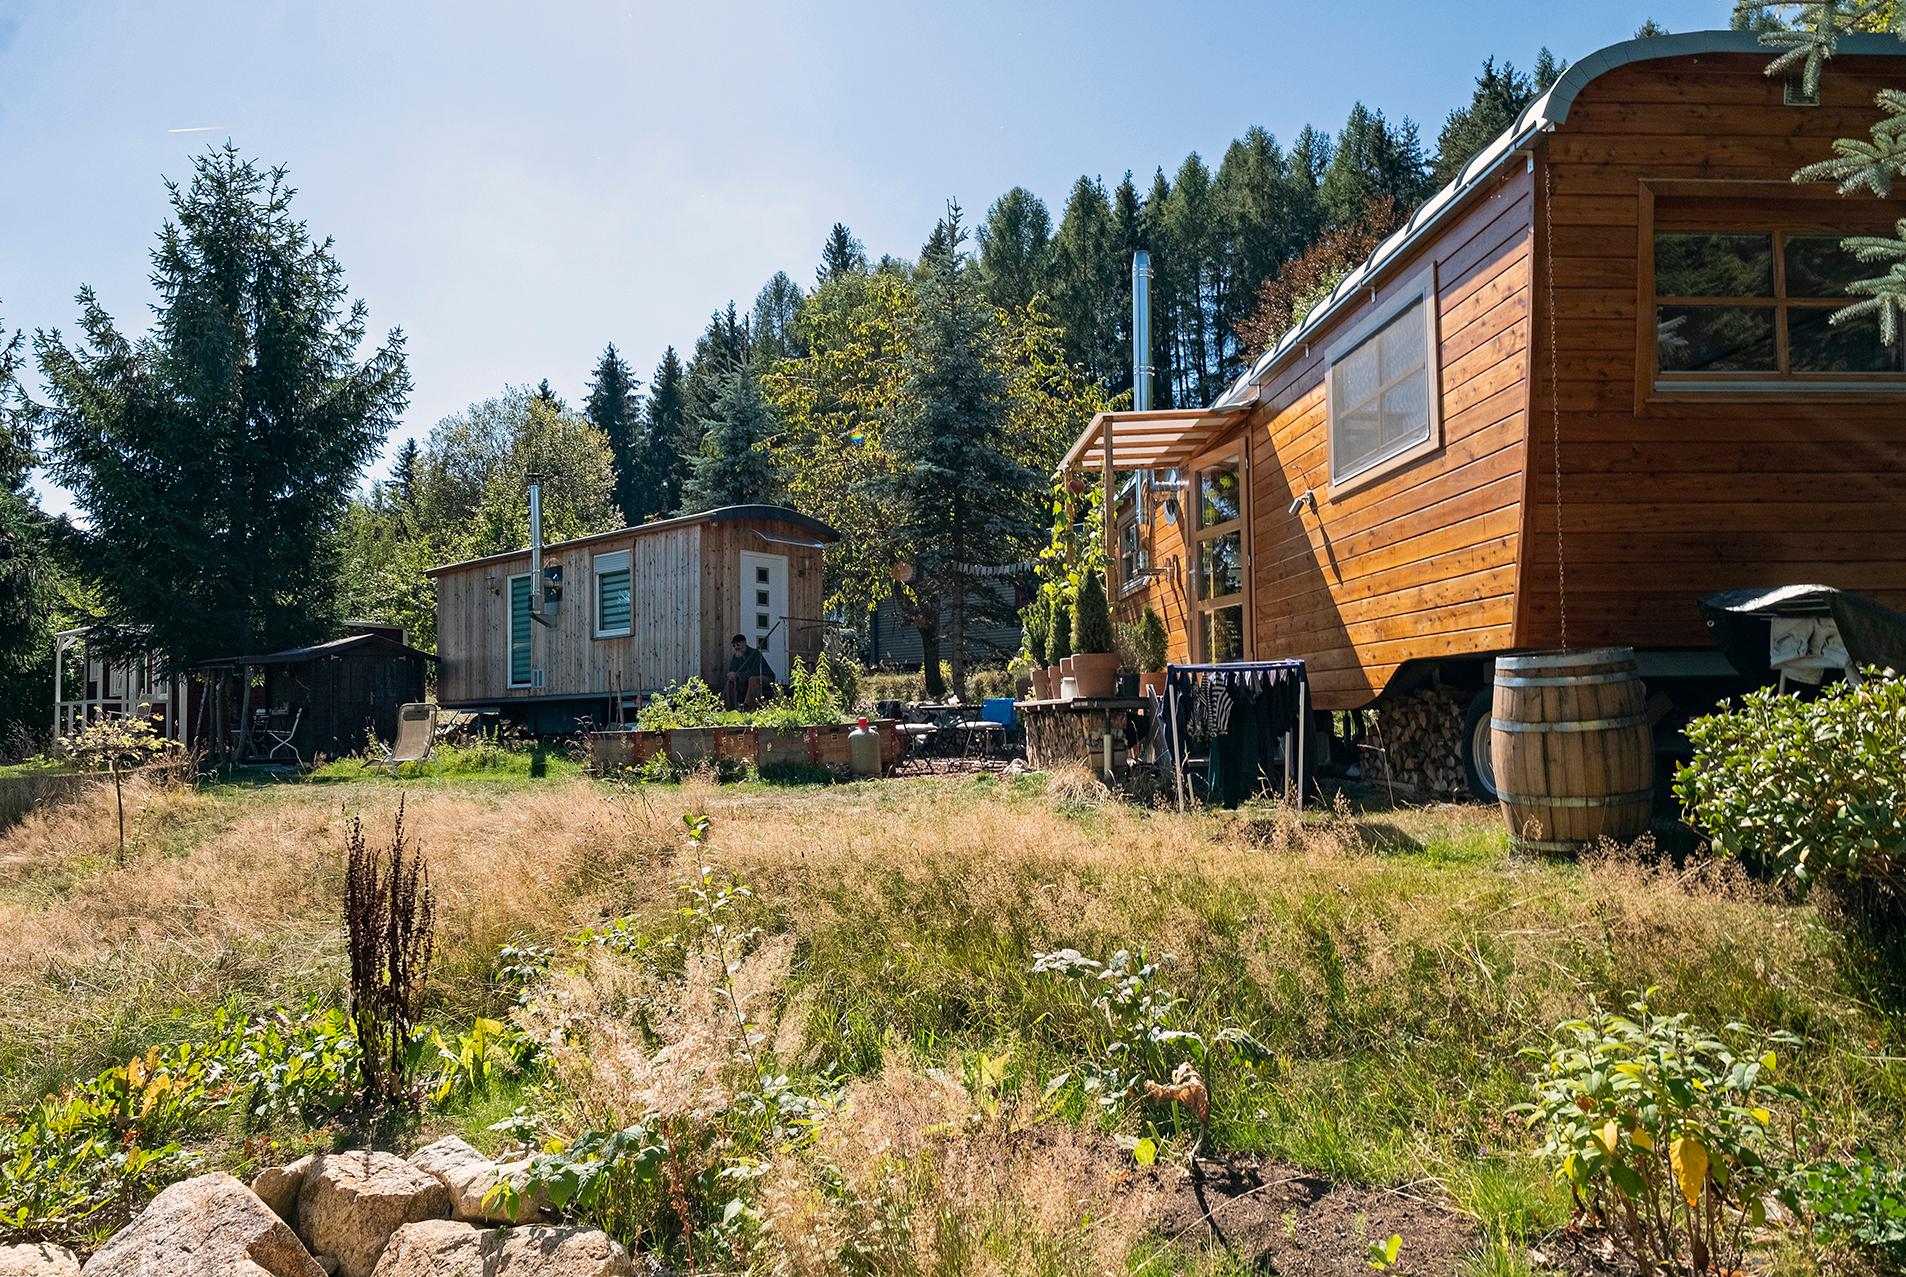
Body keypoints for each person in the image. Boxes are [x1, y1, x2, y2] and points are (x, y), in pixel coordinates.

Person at [722, 633, 776, 710]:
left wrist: (739, 675)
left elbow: (755, 671)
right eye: (734, 646)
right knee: (730, 681)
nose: (736, 648)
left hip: (765, 678)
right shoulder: (736, 657)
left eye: (738, 645)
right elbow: (732, 670)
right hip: (745, 680)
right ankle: (727, 706)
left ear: (744, 643)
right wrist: (731, 675)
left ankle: (749, 707)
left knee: (753, 680)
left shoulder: (754, 653)